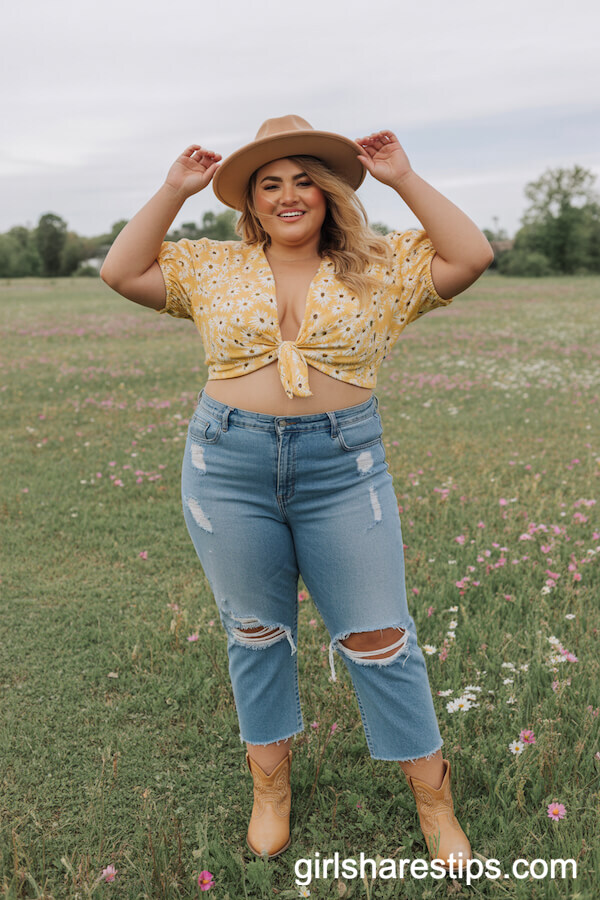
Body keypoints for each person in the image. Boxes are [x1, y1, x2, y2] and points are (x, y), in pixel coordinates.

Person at [101, 114, 493, 866]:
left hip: (342, 470)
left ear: (330, 193)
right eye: (269, 183)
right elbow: (121, 272)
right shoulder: (211, 265)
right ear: (250, 202)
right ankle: (271, 789)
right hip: (228, 467)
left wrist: (402, 176)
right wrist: (175, 188)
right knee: (255, 631)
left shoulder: (381, 267)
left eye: (304, 181)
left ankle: (435, 802)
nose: (288, 195)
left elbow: (471, 254)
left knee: (381, 637)